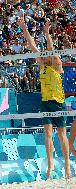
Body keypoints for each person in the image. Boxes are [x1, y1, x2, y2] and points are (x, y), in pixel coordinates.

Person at [18, 18, 71, 179]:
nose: (44, 55)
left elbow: (52, 49)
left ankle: (67, 165)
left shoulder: (56, 63)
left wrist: (47, 35)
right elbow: (31, 44)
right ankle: (50, 165)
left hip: (59, 103)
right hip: (46, 102)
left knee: (62, 134)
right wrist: (24, 29)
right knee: (47, 134)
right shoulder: (42, 63)